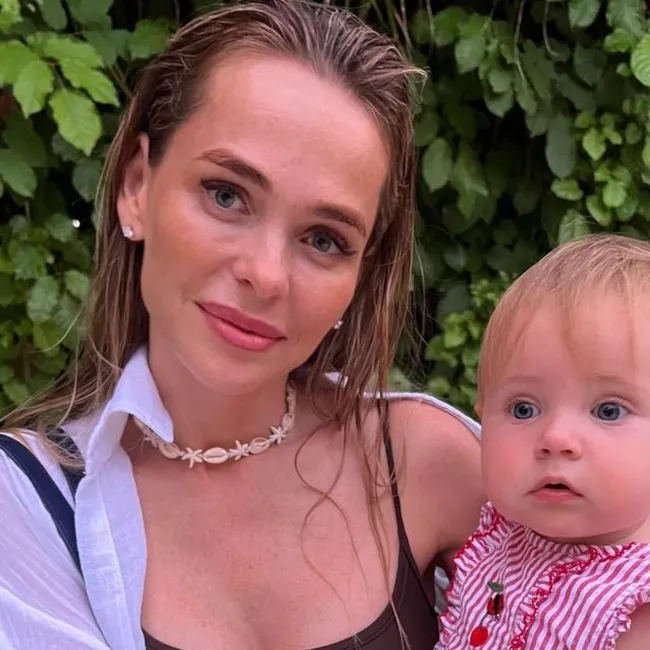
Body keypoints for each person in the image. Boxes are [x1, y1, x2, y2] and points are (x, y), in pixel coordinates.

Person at [0, 1, 484, 648]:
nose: (266, 274)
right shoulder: (23, 506)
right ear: (137, 186)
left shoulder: (424, 463)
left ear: (361, 274)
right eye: (226, 195)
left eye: (324, 239)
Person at [435, 234, 650, 650]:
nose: (555, 438)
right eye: (523, 409)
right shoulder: (501, 539)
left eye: (609, 410)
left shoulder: (636, 609)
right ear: (482, 414)